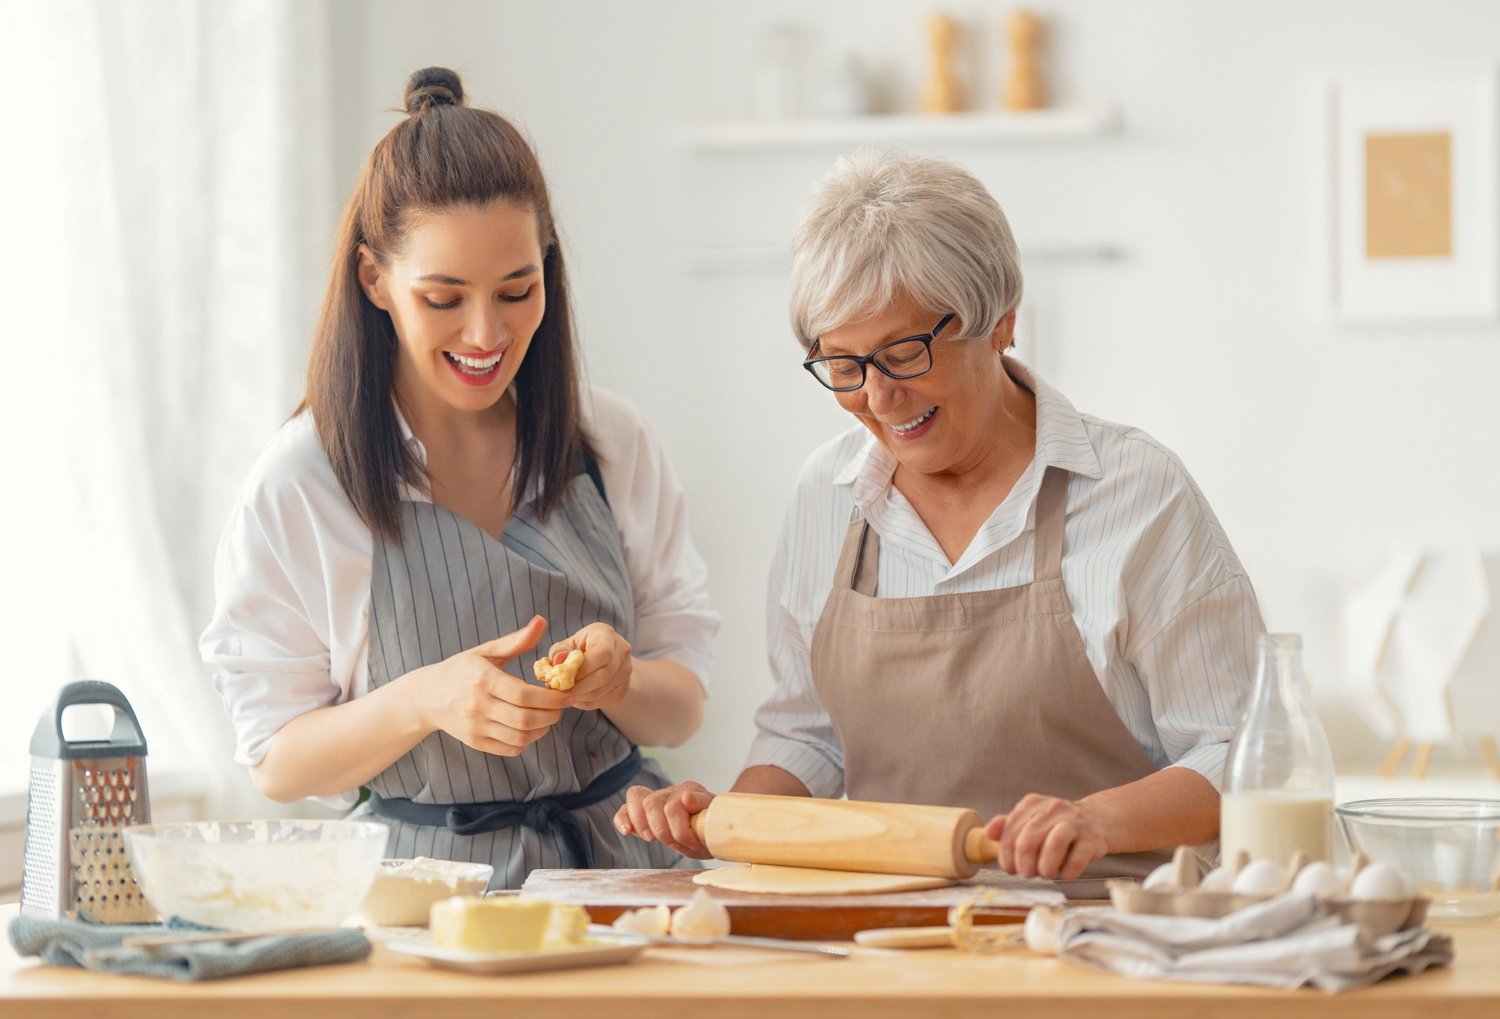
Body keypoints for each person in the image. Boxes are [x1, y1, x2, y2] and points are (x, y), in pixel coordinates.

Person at [616, 149, 1262, 883]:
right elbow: (811, 735)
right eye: (844, 365)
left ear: (1000, 319)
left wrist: (1095, 820)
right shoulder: (826, 496)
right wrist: (726, 819)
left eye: (904, 352)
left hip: (1111, 935)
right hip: (900, 942)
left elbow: (1244, 753)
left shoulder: (1137, 493)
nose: (879, 397)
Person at [201, 67, 717, 887]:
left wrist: (622, 681)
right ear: (375, 280)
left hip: (628, 874)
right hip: (427, 899)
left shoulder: (608, 440)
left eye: (518, 290)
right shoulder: (305, 480)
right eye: (444, 297)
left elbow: (685, 705)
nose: (487, 332)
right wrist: (423, 701)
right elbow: (277, 757)